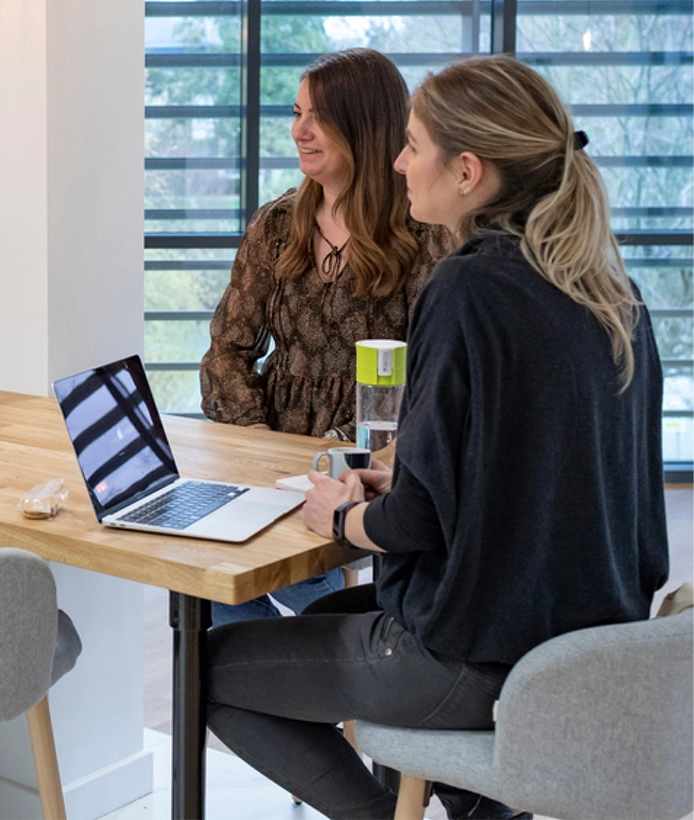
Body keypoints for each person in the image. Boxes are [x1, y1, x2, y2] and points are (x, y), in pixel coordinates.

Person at [201, 55, 669, 820]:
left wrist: (341, 517)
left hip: (473, 655)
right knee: (322, 625)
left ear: (468, 171)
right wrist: (407, 478)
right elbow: (535, 470)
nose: (399, 162)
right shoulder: (611, 289)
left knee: (206, 668)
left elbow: (414, 522)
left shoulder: (468, 287)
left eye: (414, 145)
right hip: (582, 647)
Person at [199, 48, 452, 622]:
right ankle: (297, 657)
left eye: (318, 117)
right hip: (270, 446)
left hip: (378, 455)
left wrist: (344, 453)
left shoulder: (424, 233)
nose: (299, 131)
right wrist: (260, 440)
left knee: (299, 584)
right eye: (296, 113)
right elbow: (226, 352)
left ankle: (316, 653)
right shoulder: (275, 224)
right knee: (207, 580)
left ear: (363, 125)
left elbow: (435, 374)